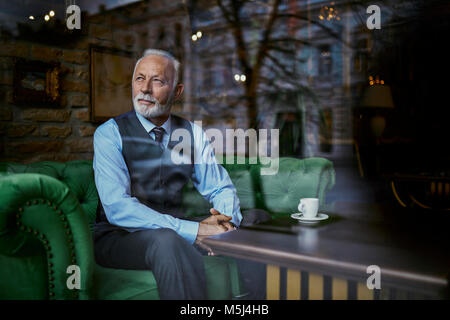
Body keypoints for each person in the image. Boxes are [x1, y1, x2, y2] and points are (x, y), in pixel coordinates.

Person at [93, 49, 270, 300]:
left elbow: (219, 187)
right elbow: (118, 208)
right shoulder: (109, 134)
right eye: (140, 79)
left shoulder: (191, 133)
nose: (145, 89)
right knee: (167, 241)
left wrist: (225, 225)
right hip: (120, 238)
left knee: (256, 218)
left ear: (177, 92)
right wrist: (195, 231)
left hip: (174, 229)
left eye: (158, 81)